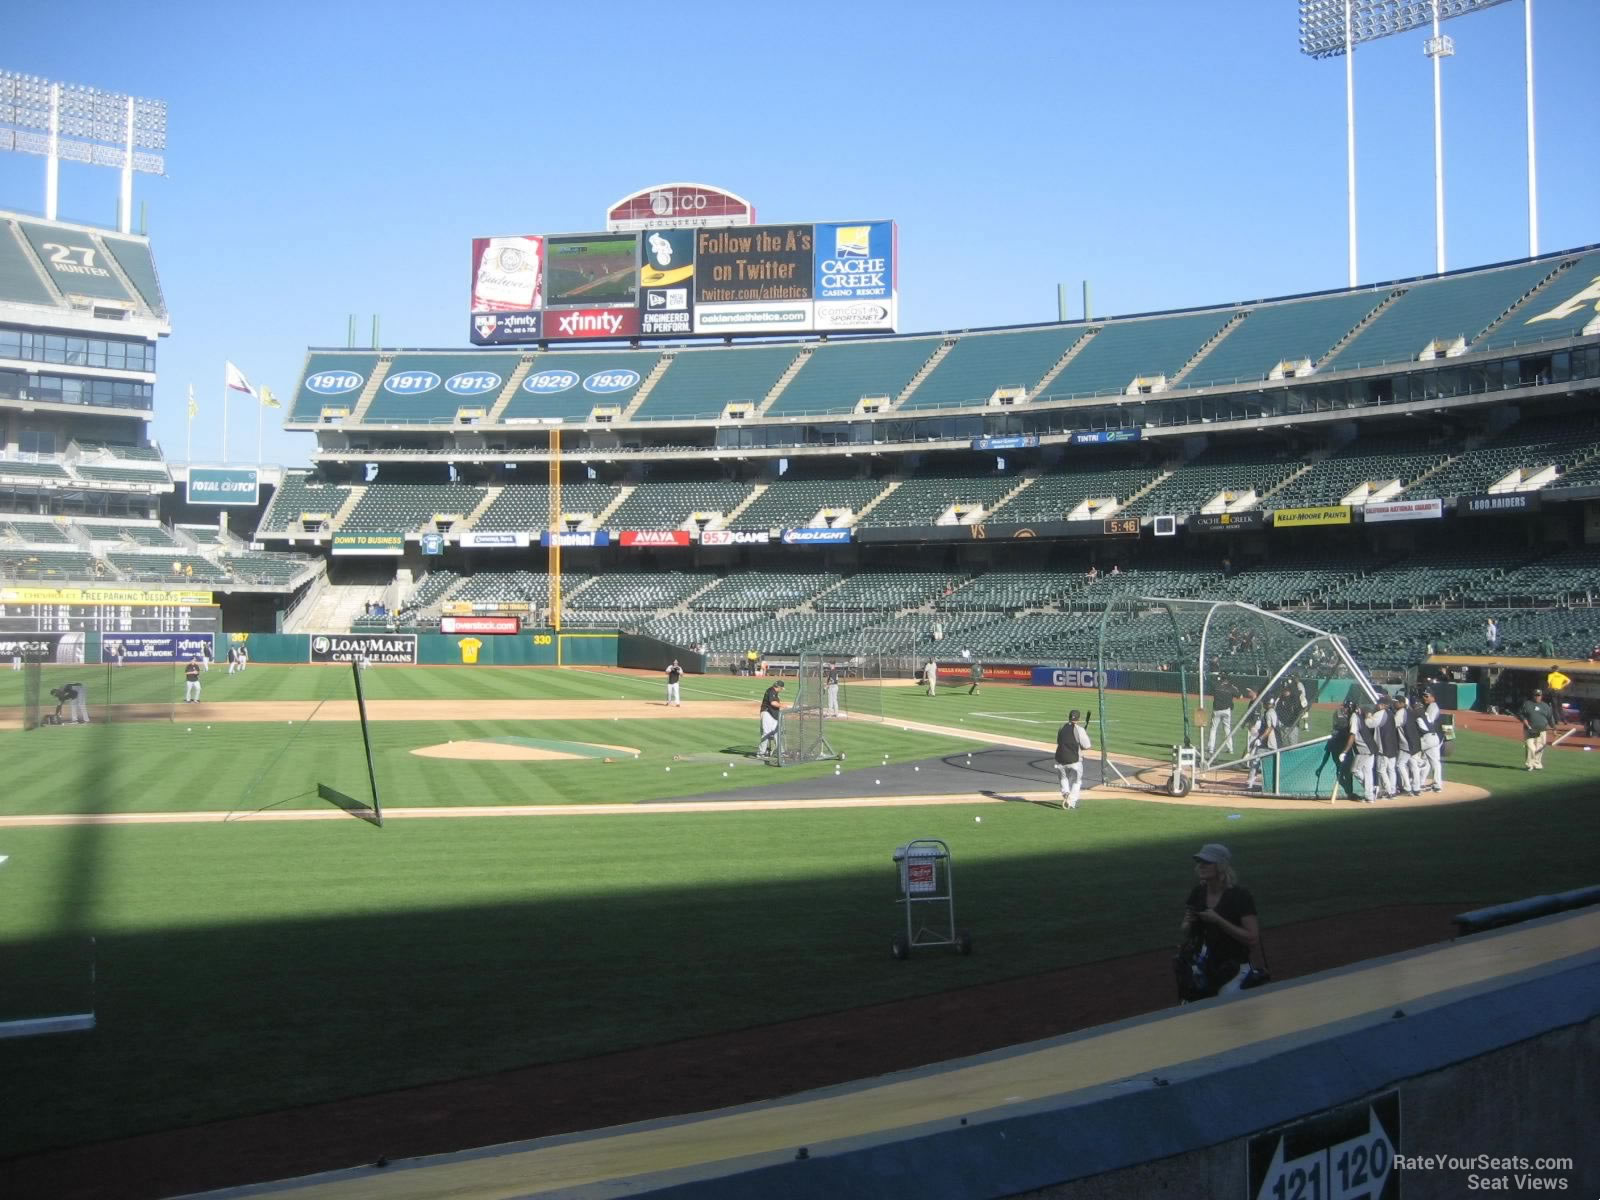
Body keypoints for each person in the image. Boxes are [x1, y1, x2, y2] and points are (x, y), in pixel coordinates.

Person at [1177, 843, 1261, 1001]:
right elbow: (1185, 929)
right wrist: (1188, 923)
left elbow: (1252, 938)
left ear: (1221, 866)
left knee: (1228, 1012)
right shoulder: (1198, 893)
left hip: (1233, 968)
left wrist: (1218, 920)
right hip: (1203, 967)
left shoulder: (1240, 896)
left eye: (1207, 862)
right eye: (1199, 862)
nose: (1201, 866)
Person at [1054, 709, 1092, 810]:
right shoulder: (1080, 730)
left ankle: (1065, 792)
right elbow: (1087, 746)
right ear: (1079, 719)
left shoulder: (1061, 727)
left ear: (1069, 717)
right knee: (1077, 781)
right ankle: (1072, 802)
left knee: (1063, 778)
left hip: (1060, 760)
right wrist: (1080, 745)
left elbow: (1060, 741)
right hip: (1075, 762)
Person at [1342, 700, 1379, 801]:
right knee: (1367, 772)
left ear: (1349, 708)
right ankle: (1370, 795)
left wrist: (1344, 752)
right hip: (1371, 747)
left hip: (1364, 749)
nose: (1343, 709)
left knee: (1355, 770)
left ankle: (1370, 790)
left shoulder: (1354, 717)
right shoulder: (1358, 714)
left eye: (1345, 707)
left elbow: (1352, 735)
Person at [1206, 674, 1244, 758]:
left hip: (1217, 710)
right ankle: (1230, 749)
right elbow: (1241, 697)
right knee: (1227, 729)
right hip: (1227, 711)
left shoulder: (1216, 686)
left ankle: (1211, 748)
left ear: (1221, 679)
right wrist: (1235, 689)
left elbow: (1211, 688)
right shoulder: (1231, 687)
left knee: (1213, 729)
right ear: (1227, 680)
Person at [1371, 694, 1401, 799]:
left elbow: (1370, 724)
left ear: (1382, 705)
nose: (1377, 705)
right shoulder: (1391, 713)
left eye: (1378, 704)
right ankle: (1392, 790)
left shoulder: (1380, 713)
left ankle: (1388, 791)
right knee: (1391, 769)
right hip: (1392, 746)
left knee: (1381, 770)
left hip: (1384, 746)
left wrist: (1368, 716)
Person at [1519, 687, 1556, 771]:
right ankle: (1529, 764)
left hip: (1542, 730)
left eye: (1539, 695)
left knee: (1540, 747)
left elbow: (1550, 718)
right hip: (1530, 729)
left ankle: (1537, 763)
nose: (1537, 697)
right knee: (1530, 747)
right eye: (1536, 695)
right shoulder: (1527, 704)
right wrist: (1524, 720)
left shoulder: (1545, 706)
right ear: (1533, 696)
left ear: (1541, 696)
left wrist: (1554, 728)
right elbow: (1521, 714)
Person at [1245, 702, 1279, 790]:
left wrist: (1260, 739)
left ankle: (1250, 782)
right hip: (1270, 743)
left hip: (1268, 744)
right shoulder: (1271, 712)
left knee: (1255, 763)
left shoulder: (1269, 713)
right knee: (1267, 764)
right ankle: (1269, 785)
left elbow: (1270, 728)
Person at [1417, 687, 1444, 792]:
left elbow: (1429, 723)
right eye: (1423, 696)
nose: (1424, 698)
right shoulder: (1430, 706)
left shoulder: (1432, 707)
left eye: (1427, 696)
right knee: (1432, 761)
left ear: (1433, 697)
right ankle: (1436, 784)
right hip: (1435, 737)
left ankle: (1419, 782)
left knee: (1422, 759)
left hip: (1433, 737)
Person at [757, 678, 785, 760]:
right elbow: (773, 703)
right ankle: (761, 753)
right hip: (767, 713)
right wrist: (783, 705)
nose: (781, 690)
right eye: (781, 688)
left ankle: (780, 752)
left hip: (773, 715)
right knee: (767, 733)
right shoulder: (771, 691)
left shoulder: (774, 692)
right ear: (779, 687)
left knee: (777, 733)